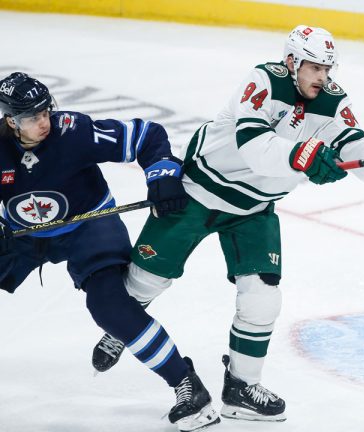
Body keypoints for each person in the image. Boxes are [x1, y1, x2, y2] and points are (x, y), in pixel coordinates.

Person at [90, 24, 364, 422]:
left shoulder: (331, 97)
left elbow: (348, 141)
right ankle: (122, 325)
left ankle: (241, 387)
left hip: (255, 208)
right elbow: (256, 147)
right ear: (292, 61)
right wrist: (305, 156)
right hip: (199, 192)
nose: (323, 78)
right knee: (147, 280)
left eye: (328, 69)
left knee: (262, 299)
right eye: (315, 68)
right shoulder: (264, 81)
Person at [0, 72, 220, 431]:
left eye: (45, 112)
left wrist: (162, 173)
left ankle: (187, 385)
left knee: (109, 307)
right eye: (31, 118)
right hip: (24, 234)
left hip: (88, 224)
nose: (43, 122)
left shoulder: (73, 132)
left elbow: (147, 136)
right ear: (11, 121)